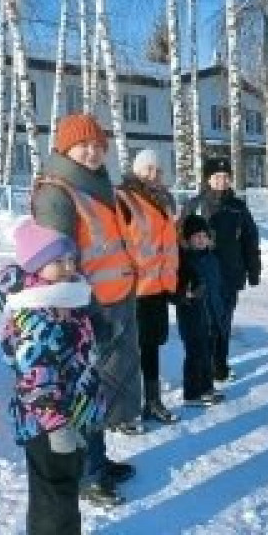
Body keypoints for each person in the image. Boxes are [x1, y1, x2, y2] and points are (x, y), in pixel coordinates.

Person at [31, 113, 138, 506]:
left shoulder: (97, 185)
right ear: (64, 148)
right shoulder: (57, 191)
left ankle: (100, 460)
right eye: (84, 145)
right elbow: (52, 261)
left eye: (98, 145)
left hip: (111, 303)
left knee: (102, 389)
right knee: (82, 392)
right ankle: (88, 475)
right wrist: (67, 314)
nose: (93, 152)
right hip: (80, 310)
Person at [0, 218, 107, 535]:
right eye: (58, 261)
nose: (69, 266)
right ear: (35, 267)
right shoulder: (38, 315)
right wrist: (57, 426)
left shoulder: (64, 301)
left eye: (70, 258)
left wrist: (81, 415)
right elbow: (35, 379)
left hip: (70, 414)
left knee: (63, 493)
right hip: (47, 425)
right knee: (53, 499)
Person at [180, 157, 261, 382]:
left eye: (226, 177)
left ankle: (220, 366)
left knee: (224, 322)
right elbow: (181, 241)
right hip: (202, 276)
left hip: (230, 275)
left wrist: (253, 269)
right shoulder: (194, 205)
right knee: (205, 323)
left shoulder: (238, 207)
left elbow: (250, 240)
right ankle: (203, 367)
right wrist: (184, 276)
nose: (222, 181)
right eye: (217, 176)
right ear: (208, 178)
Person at [116, 149, 180, 425]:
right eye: (148, 169)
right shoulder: (124, 199)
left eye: (158, 170)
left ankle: (153, 402)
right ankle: (125, 409)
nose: (153, 175)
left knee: (152, 346)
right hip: (134, 289)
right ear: (136, 170)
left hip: (158, 288)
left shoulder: (165, 201)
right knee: (131, 349)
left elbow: (169, 245)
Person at [175, 214, 227, 406]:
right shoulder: (184, 262)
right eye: (196, 236)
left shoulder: (212, 260)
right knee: (195, 355)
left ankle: (207, 388)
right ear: (188, 239)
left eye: (204, 236)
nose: (201, 239)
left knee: (207, 353)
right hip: (192, 318)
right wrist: (186, 294)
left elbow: (217, 288)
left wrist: (219, 311)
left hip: (211, 316)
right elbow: (176, 290)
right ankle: (191, 393)